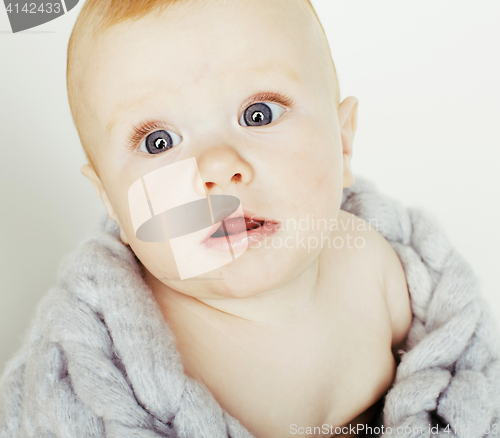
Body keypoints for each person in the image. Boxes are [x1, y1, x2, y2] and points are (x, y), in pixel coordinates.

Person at [11, 0, 415, 436]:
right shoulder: (124, 360)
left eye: (258, 114)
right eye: (159, 142)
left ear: (342, 143)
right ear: (112, 202)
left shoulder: (376, 268)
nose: (217, 167)